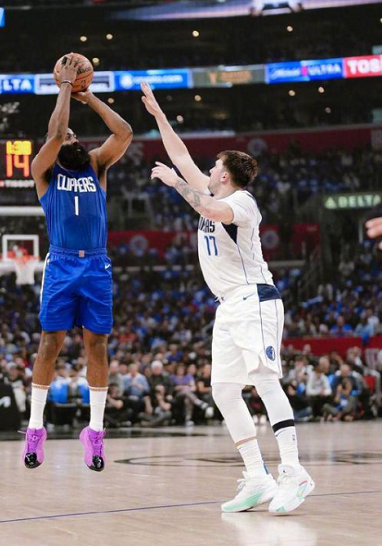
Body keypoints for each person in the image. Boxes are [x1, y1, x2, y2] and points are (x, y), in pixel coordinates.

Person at [141, 82, 314, 514]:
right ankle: (257, 475)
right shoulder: (213, 189)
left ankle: (294, 470)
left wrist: (175, 183)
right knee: (222, 390)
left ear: (224, 174)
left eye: (213, 166)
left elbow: (208, 209)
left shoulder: (242, 202)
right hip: (228, 306)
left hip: (255, 299)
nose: (207, 169)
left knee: (265, 380)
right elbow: (181, 154)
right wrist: (159, 116)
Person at [23, 54, 133, 472]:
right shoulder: (44, 172)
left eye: (74, 134)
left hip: (96, 266)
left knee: (97, 345)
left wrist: (89, 97)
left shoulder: (96, 165)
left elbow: (124, 132)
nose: (71, 136)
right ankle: (36, 428)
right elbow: (55, 131)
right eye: (65, 135)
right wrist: (66, 88)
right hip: (62, 265)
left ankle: (95, 431)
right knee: (49, 344)